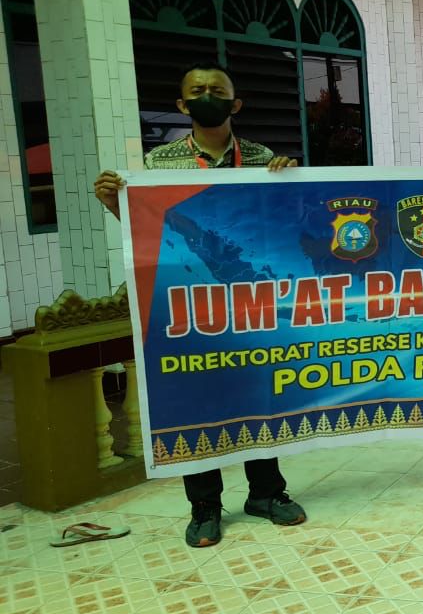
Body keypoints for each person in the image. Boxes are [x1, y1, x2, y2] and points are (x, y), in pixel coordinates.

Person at [93, 63, 306, 549]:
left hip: (252, 301)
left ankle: (267, 494)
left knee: (259, 393)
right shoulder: (159, 164)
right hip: (188, 300)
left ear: (236, 104)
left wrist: (294, 183)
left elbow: (287, 228)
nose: (207, 96)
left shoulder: (263, 159)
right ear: (182, 105)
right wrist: (114, 204)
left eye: (218, 90)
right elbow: (146, 227)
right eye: (197, 91)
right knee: (197, 396)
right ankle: (205, 507)